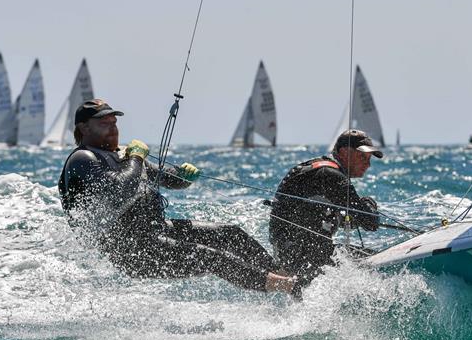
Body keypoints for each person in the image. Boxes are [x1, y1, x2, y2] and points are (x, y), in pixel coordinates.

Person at [58, 98, 295, 294]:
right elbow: (120, 190)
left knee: (229, 233)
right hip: (131, 251)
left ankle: (282, 274)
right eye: (104, 123)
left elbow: (165, 179)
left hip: (156, 231)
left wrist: (183, 177)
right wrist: (137, 158)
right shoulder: (83, 159)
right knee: (213, 257)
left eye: (114, 122)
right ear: (84, 129)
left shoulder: (121, 156)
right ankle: (287, 287)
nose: (113, 128)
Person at [269, 129, 382, 284]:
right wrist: (369, 204)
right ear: (344, 152)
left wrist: (346, 217)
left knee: (365, 258)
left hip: (290, 253)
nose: (368, 164)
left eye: (369, 159)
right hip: (303, 256)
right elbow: (370, 222)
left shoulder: (318, 169)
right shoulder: (330, 175)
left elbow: (313, 212)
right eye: (362, 156)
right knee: (375, 264)